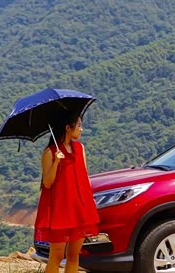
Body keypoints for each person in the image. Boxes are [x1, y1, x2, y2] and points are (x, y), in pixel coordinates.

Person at [34, 111, 100, 273]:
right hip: (60, 212)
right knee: (56, 256)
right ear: (67, 128)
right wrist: (57, 162)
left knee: (74, 255)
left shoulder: (80, 148)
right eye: (79, 125)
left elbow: (85, 177)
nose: (81, 129)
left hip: (79, 209)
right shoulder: (49, 152)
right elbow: (47, 183)